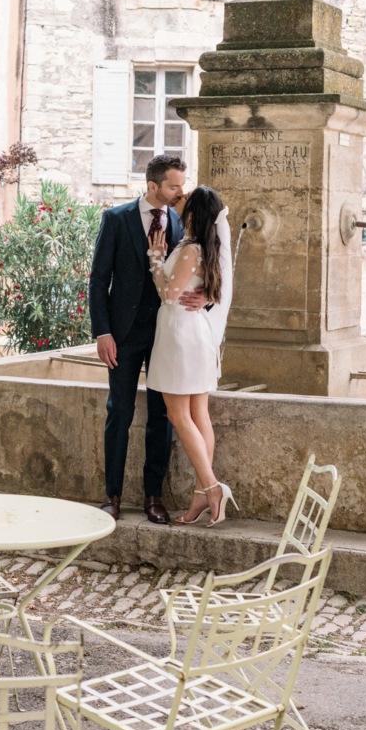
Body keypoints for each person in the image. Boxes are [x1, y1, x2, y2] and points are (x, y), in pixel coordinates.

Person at [88, 154, 207, 524]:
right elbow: (97, 280)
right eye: (174, 185)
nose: (180, 191)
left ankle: (154, 496)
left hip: (167, 336)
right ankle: (112, 496)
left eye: (182, 184)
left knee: (163, 417)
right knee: (118, 413)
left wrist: (209, 296)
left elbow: (207, 267)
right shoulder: (116, 219)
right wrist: (103, 331)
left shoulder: (181, 222)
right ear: (152, 185)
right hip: (122, 336)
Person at [146, 184, 234, 526]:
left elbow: (168, 295)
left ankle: (211, 487)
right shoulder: (204, 246)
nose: (179, 200)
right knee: (199, 412)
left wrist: (155, 259)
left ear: (194, 212)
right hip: (195, 331)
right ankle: (201, 494)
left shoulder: (191, 248)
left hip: (180, 334)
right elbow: (203, 288)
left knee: (177, 412)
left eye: (185, 200)